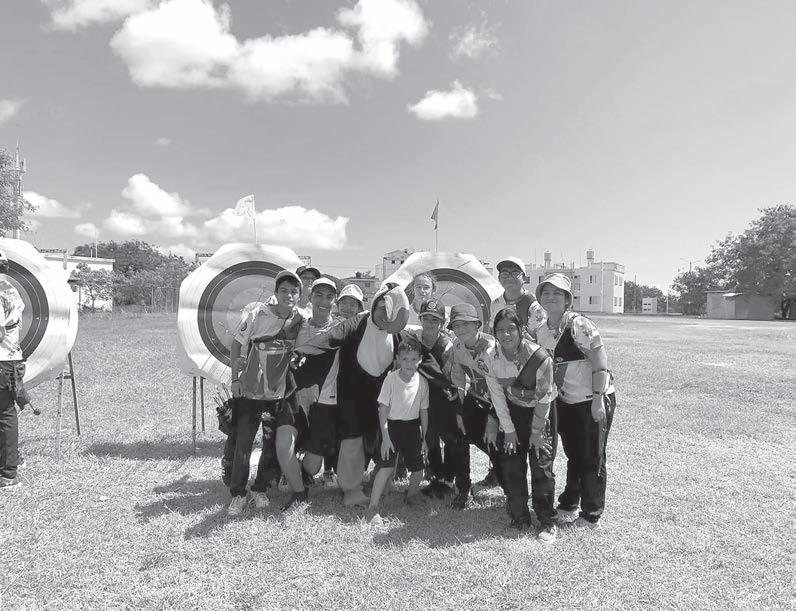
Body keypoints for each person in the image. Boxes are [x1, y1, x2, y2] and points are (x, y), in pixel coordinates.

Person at [293, 283, 410, 507]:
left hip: (378, 397)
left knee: (382, 437)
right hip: (351, 395)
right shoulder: (356, 323)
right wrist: (301, 353)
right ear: (373, 306)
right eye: (381, 309)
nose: (385, 316)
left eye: (390, 313)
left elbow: (412, 352)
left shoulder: (396, 335)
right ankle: (350, 488)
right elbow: (330, 338)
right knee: (351, 441)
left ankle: (380, 478)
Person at [531, 273, 616, 529]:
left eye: (558, 293)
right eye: (546, 293)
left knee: (592, 456)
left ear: (568, 299)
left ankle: (591, 514)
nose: (551, 297)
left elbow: (600, 364)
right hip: (566, 401)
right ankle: (570, 501)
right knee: (574, 454)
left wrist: (598, 400)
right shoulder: (542, 330)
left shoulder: (580, 325)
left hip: (592, 399)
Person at [227, 270, 306, 515]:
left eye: (294, 292)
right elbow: (237, 344)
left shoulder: (300, 318)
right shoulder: (257, 313)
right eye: (284, 290)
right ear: (276, 292)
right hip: (251, 387)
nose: (288, 295)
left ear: (299, 295)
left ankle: (260, 487)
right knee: (244, 441)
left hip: (277, 391)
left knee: (270, 441)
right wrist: (235, 378)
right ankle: (238, 494)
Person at [486, 308, 557, 542]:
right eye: (500, 330)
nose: (505, 335)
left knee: (541, 466)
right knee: (512, 465)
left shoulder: (540, 358)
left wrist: (537, 432)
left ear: (521, 330)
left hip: (540, 414)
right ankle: (520, 516)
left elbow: (544, 398)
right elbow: (497, 396)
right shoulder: (491, 357)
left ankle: (547, 521)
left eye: (511, 329)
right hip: (512, 413)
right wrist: (509, 430)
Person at [447, 303, 508, 509]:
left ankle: (512, 492)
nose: (461, 329)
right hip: (475, 400)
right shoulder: (457, 346)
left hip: (500, 404)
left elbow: (502, 387)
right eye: (456, 325)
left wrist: (493, 418)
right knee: (457, 435)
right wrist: (459, 409)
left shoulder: (493, 348)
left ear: (477, 325)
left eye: (466, 324)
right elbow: (458, 378)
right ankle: (463, 489)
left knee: (497, 447)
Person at [402, 299, 461, 498]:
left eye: (435, 319)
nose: (430, 323)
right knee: (429, 437)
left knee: (450, 438)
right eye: (426, 318)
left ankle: (449, 479)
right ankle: (436, 476)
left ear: (442, 323)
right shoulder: (413, 341)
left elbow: (450, 377)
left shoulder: (447, 346)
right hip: (421, 398)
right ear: (420, 319)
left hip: (442, 399)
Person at [368, 337, 429, 520]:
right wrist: (385, 438)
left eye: (413, 359)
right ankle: (372, 507)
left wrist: (425, 438)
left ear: (420, 359)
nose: (409, 363)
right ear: (397, 359)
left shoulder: (422, 382)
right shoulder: (391, 380)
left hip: (412, 428)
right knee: (386, 468)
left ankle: (411, 496)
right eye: (404, 359)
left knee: (418, 470)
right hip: (392, 428)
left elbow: (423, 411)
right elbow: (382, 409)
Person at [292, 278, 341, 491]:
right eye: (318, 295)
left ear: (335, 301)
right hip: (298, 396)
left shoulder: (340, 327)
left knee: (313, 467)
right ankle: (287, 469)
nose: (324, 301)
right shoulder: (297, 326)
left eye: (329, 297)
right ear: (310, 297)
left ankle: (318, 469)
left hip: (327, 400)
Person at [0, 249, 30, 490]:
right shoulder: (9, 289)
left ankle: (9, 473)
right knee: (5, 414)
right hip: (9, 361)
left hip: (2, 361)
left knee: (4, 414)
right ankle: (10, 466)